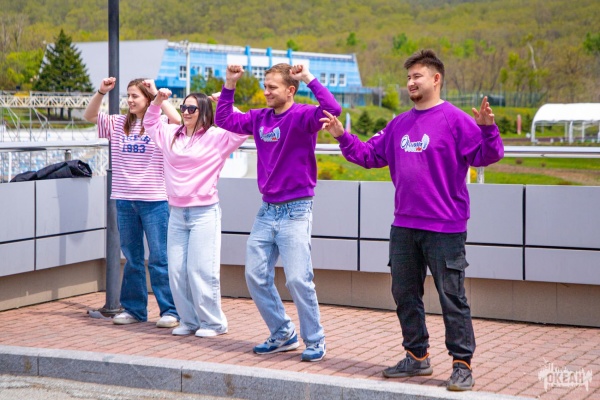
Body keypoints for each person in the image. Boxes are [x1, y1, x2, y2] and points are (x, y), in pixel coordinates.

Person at [319, 49, 504, 390]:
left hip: (445, 226)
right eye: (408, 77)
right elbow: (369, 155)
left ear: (436, 79)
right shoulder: (399, 124)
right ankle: (417, 356)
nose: (410, 83)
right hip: (404, 225)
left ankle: (462, 365)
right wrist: (342, 136)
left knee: (452, 296)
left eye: (417, 76)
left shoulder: (456, 119)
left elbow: (486, 156)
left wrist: (488, 130)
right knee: (404, 293)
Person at [214, 64, 342, 362]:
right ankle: (283, 333)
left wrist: (308, 77)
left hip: (297, 209)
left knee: (298, 279)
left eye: (272, 87)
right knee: (255, 275)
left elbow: (332, 109)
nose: (266, 92)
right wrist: (230, 83)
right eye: (265, 86)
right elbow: (224, 119)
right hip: (267, 210)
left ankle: (315, 340)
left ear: (290, 90)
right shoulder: (259, 117)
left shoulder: (304, 116)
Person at [143, 89, 246, 337]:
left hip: (204, 213)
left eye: (192, 108)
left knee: (201, 271)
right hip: (176, 212)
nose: (186, 112)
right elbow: (150, 122)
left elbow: (243, 128)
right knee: (177, 271)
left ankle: (213, 323)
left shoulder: (216, 136)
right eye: (183, 108)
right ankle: (189, 321)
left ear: (204, 112)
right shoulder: (171, 134)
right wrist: (157, 100)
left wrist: (225, 103)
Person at [83, 77, 181, 328]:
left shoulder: (159, 123)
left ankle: (170, 311)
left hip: (155, 200)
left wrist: (157, 94)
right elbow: (89, 115)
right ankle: (135, 310)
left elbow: (178, 120)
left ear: (147, 98)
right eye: (128, 95)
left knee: (159, 258)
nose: (130, 100)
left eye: (135, 95)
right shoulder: (118, 123)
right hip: (125, 200)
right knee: (132, 258)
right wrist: (101, 92)